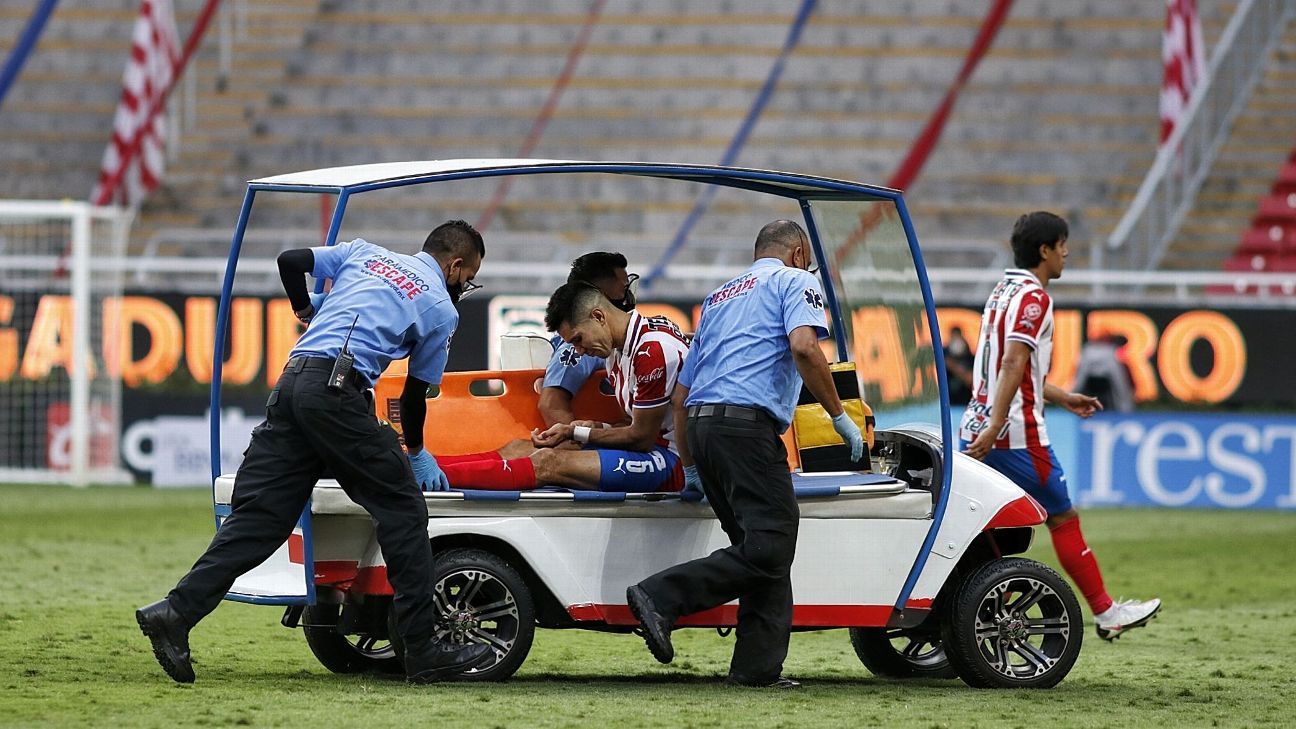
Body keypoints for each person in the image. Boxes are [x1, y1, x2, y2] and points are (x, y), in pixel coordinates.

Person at [135, 221, 493, 684]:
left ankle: (175, 612)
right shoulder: (441, 309)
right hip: (338, 394)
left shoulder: (365, 252)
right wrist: (418, 453)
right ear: (455, 264)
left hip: (292, 383)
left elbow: (290, 260)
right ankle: (421, 649)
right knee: (403, 511)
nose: (466, 287)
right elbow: (411, 396)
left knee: (260, 519)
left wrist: (304, 307)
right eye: (470, 278)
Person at [624, 220, 865, 689]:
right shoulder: (797, 280)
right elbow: (804, 346)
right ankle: (660, 596)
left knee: (762, 552)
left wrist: (691, 466)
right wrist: (838, 415)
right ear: (798, 252)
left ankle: (757, 671)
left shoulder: (718, 297)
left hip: (702, 425)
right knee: (772, 544)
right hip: (746, 427)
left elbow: (681, 394)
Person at [959, 211, 1160, 641]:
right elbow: (1013, 361)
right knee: (1063, 518)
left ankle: (964, 609)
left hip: (976, 424)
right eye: (1063, 244)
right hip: (1016, 433)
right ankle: (1107, 613)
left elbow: (1007, 367)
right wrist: (998, 425)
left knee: (982, 525)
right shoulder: (1035, 298)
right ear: (1045, 250)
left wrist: (1063, 396)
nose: (1067, 253)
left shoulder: (1002, 290)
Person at [429, 282, 692, 495]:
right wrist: (596, 427)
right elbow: (636, 422)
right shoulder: (618, 346)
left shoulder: (652, 351)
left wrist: (576, 432)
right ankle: (426, 468)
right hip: (652, 448)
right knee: (518, 448)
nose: (578, 350)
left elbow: (641, 437)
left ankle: (427, 480)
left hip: (674, 461)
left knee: (548, 462)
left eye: (578, 339)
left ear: (598, 316)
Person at [539, 252, 638, 427]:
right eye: (624, 289)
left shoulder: (622, 341)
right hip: (599, 445)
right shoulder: (579, 345)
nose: (628, 296)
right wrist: (574, 448)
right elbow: (551, 405)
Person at [1073, 334, 1135, 413]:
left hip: (1100, 387)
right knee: (1120, 386)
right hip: (1093, 385)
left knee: (1078, 386)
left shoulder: (1092, 349)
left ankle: (1125, 411)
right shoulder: (1094, 350)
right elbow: (1119, 383)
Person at [943, 325, 975, 406]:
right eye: (953, 337)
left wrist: (953, 366)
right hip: (950, 403)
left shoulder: (970, 358)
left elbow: (970, 380)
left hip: (966, 403)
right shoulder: (944, 355)